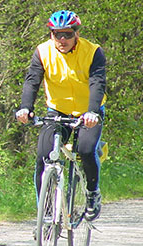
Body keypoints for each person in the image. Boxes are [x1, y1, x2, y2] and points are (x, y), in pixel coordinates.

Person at [16, 10, 106, 221]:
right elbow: (32, 80)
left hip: (88, 112)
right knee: (43, 156)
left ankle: (93, 194)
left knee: (85, 149)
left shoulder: (93, 52)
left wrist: (92, 111)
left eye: (67, 34)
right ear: (51, 35)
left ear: (76, 33)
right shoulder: (42, 52)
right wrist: (25, 108)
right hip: (57, 110)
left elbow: (97, 83)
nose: (62, 39)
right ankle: (45, 214)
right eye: (58, 34)